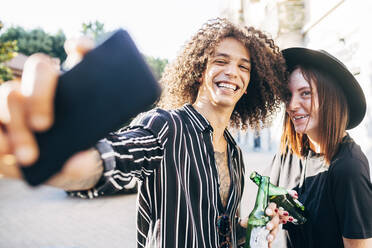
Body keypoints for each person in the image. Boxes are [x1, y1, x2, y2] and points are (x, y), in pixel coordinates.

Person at [0, 18, 290, 247]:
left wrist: (247, 230)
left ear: (250, 83)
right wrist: (55, 154)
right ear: (200, 70)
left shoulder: (235, 152)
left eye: (243, 67)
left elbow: (218, 228)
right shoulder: (165, 126)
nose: (232, 72)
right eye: (220, 61)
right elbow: (113, 158)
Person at [267, 47, 372, 248]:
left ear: (330, 98)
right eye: (288, 95)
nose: (292, 105)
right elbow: (265, 210)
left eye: (305, 93)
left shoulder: (348, 168)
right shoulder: (289, 154)